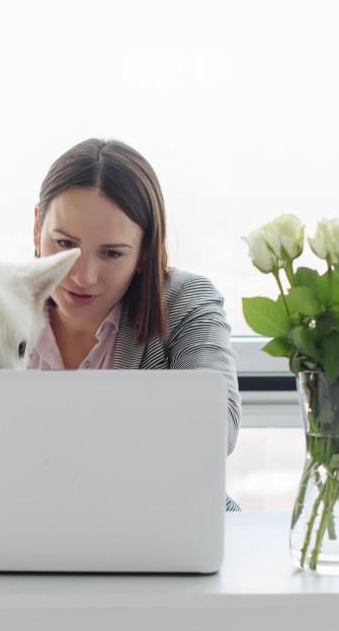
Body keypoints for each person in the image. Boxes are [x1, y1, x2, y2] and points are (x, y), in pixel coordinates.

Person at [30, 138, 242, 511]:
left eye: (111, 253)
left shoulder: (184, 301)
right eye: (64, 244)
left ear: (145, 252)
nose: (82, 276)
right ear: (37, 230)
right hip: (27, 525)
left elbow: (217, 431)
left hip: (165, 528)